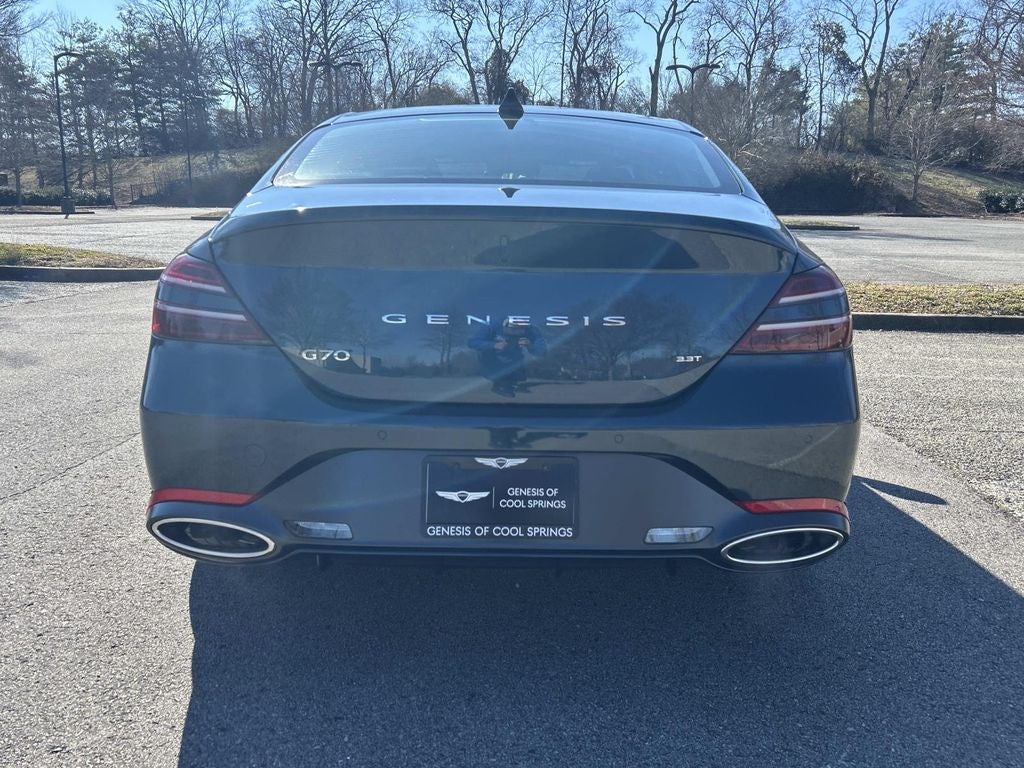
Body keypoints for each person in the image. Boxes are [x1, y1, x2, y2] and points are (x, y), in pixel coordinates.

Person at [468, 318, 547, 396]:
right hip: (491, 362)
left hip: (516, 363)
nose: (515, 333)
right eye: (512, 330)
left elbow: (542, 352)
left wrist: (530, 346)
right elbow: (472, 342)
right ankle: (500, 380)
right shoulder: (491, 326)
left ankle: (509, 380)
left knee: (517, 373)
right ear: (504, 327)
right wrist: (493, 345)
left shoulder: (532, 330)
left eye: (520, 330)